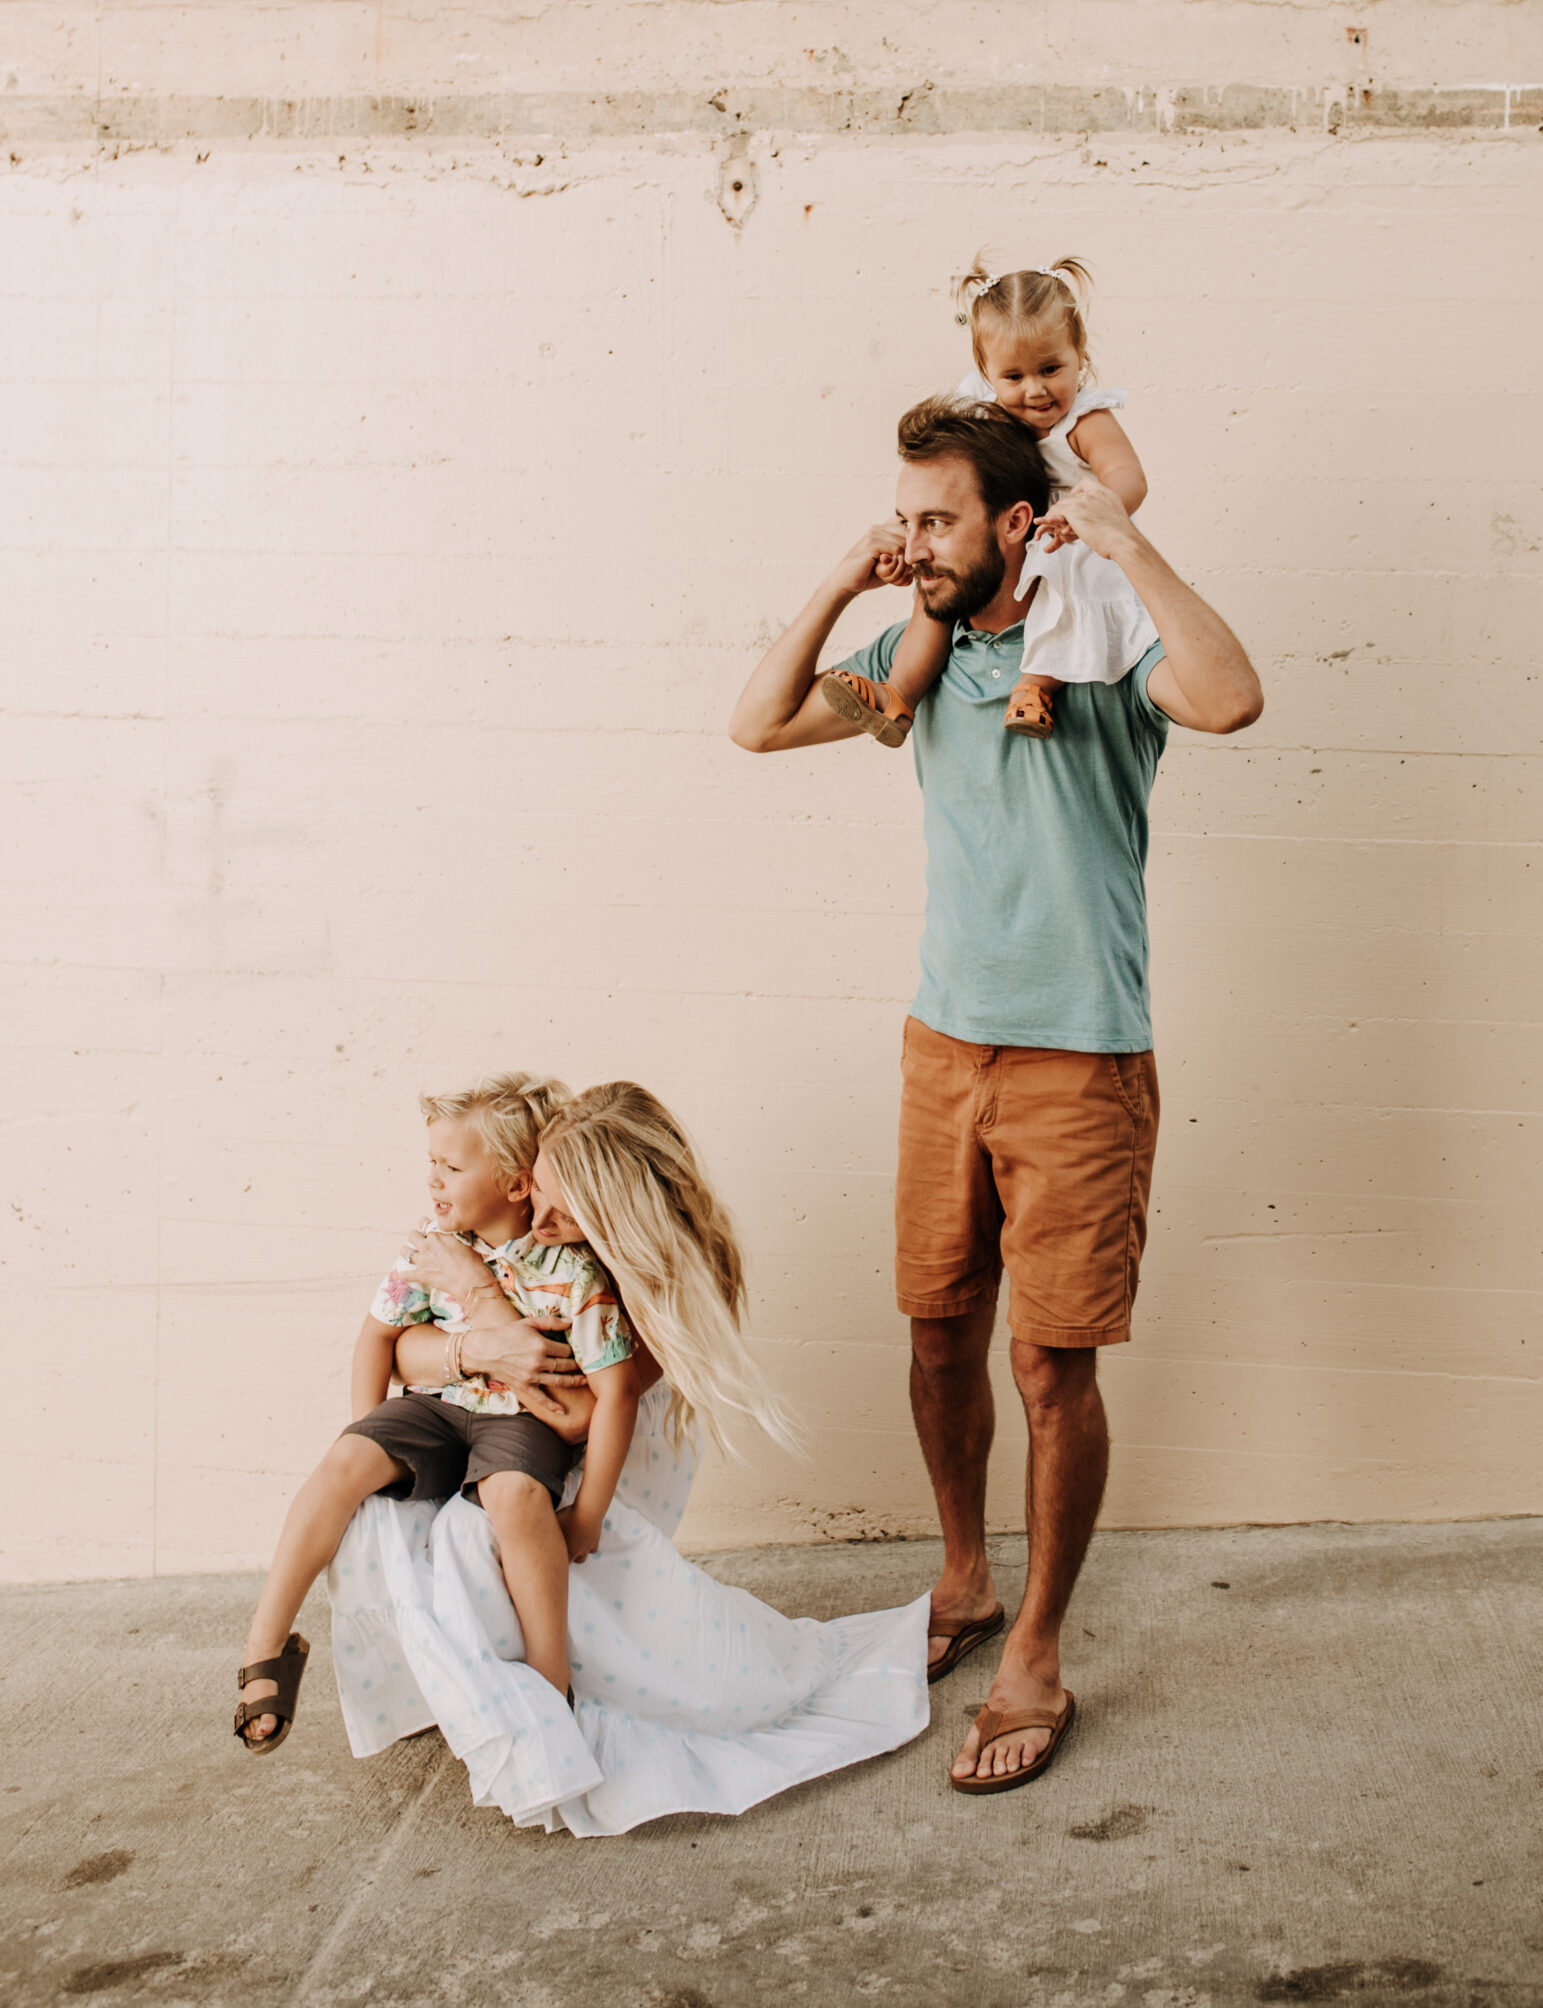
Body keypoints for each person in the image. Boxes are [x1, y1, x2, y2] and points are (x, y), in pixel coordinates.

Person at [729, 384, 1262, 1792]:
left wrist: (1126, 543)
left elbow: (1230, 697)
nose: (911, 540)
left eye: (932, 518)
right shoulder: (915, 663)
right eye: (901, 516)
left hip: (1078, 1060)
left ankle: (1033, 1647)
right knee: (933, 1334)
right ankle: (960, 1579)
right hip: (940, 1049)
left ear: (1013, 523)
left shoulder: (1096, 643)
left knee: (1048, 1363)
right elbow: (756, 722)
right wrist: (849, 573)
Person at [309, 1074, 929, 1834]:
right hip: (507, 1426)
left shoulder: (648, 1286)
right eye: (532, 1192)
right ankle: (472, 1692)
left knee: (479, 1533)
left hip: (595, 1460)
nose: (533, 1220)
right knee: (385, 1507)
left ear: (614, 1212)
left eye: (556, 1206)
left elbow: (576, 1415)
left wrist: (480, 1302)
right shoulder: (539, 1245)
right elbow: (404, 1348)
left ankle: (544, 1697)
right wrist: (476, 1343)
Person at [234, 1075, 647, 1750]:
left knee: (515, 1497)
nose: (433, 1181)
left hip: (521, 1420)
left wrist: (590, 1513)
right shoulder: (431, 1247)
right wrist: (365, 1433)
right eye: (431, 1163)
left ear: (517, 1183)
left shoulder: (572, 1270)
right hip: (434, 1409)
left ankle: (551, 1684)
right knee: (343, 1460)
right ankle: (267, 1643)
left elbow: (615, 1394)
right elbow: (378, 1336)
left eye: (451, 1167)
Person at [821, 257, 1152, 747]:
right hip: (1012, 537)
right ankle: (899, 698)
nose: (1035, 390)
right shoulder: (985, 409)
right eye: (1013, 376)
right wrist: (921, 531)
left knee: (1069, 602)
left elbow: (1130, 478)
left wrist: (1087, 513)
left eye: (1051, 369)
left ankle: (1036, 690)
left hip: (1069, 540)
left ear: (1079, 354)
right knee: (931, 608)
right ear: (986, 372)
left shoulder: (1086, 420)